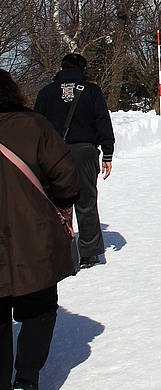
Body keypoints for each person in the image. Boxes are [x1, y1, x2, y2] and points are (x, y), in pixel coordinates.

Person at [0, 68, 80, 390]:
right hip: (34, 236)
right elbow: (67, 175)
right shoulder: (34, 127)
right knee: (40, 307)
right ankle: (27, 379)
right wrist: (61, 202)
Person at [34, 53, 115, 270]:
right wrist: (107, 153)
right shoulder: (91, 91)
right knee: (86, 202)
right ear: (83, 69)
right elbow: (102, 122)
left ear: (61, 69)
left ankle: (64, 256)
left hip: (54, 154)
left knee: (59, 205)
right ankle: (89, 254)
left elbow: (36, 125)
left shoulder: (46, 92)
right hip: (85, 152)